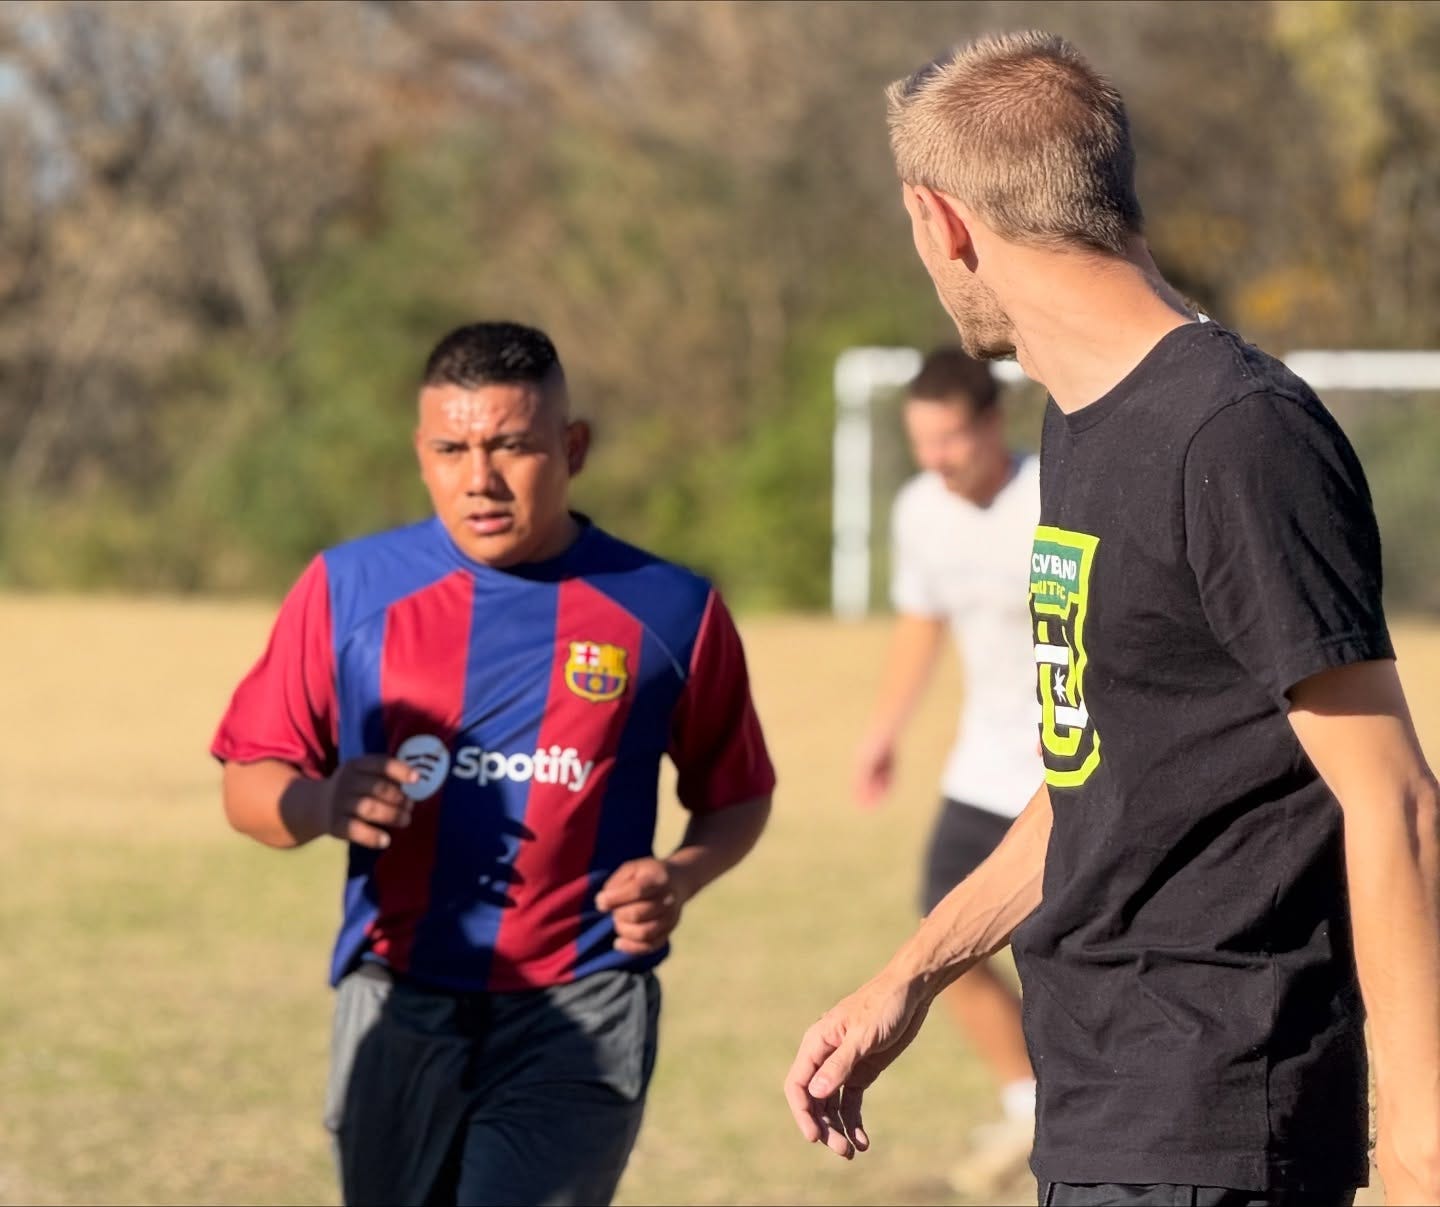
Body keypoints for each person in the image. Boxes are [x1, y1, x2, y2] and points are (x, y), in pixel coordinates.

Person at [785, 30, 1440, 1207]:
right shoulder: (1079, 421)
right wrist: (913, 974)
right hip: (1103, 1108)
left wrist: (1418, 1156)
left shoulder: (1237, 435)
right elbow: (1102, 771)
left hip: (1218, 1119)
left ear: (942, 222)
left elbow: (1392, 797)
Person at [213, 321, 774, 1207]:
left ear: (572, 447)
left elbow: (737, 795)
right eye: (452, 448)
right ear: (421, 451)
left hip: (583, 1001)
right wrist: (321, 803)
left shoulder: (672, 608)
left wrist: (681, 874)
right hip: (397, 998)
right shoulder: (348, 589)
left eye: (512, 444)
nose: (479, 477)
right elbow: (247, 783)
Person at [851, 345, 1040, 1192]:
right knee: (943, 932)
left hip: (1066, 774)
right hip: (980, 766)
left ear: (994, 423)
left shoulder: (1056, 494)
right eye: (922, 442)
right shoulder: (919, 509)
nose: (936, 459)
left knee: (1063, 952)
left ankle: (1084, 1107)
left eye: (952, 439)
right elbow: (921, 620)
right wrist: (884, 729)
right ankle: (1031, 1103)